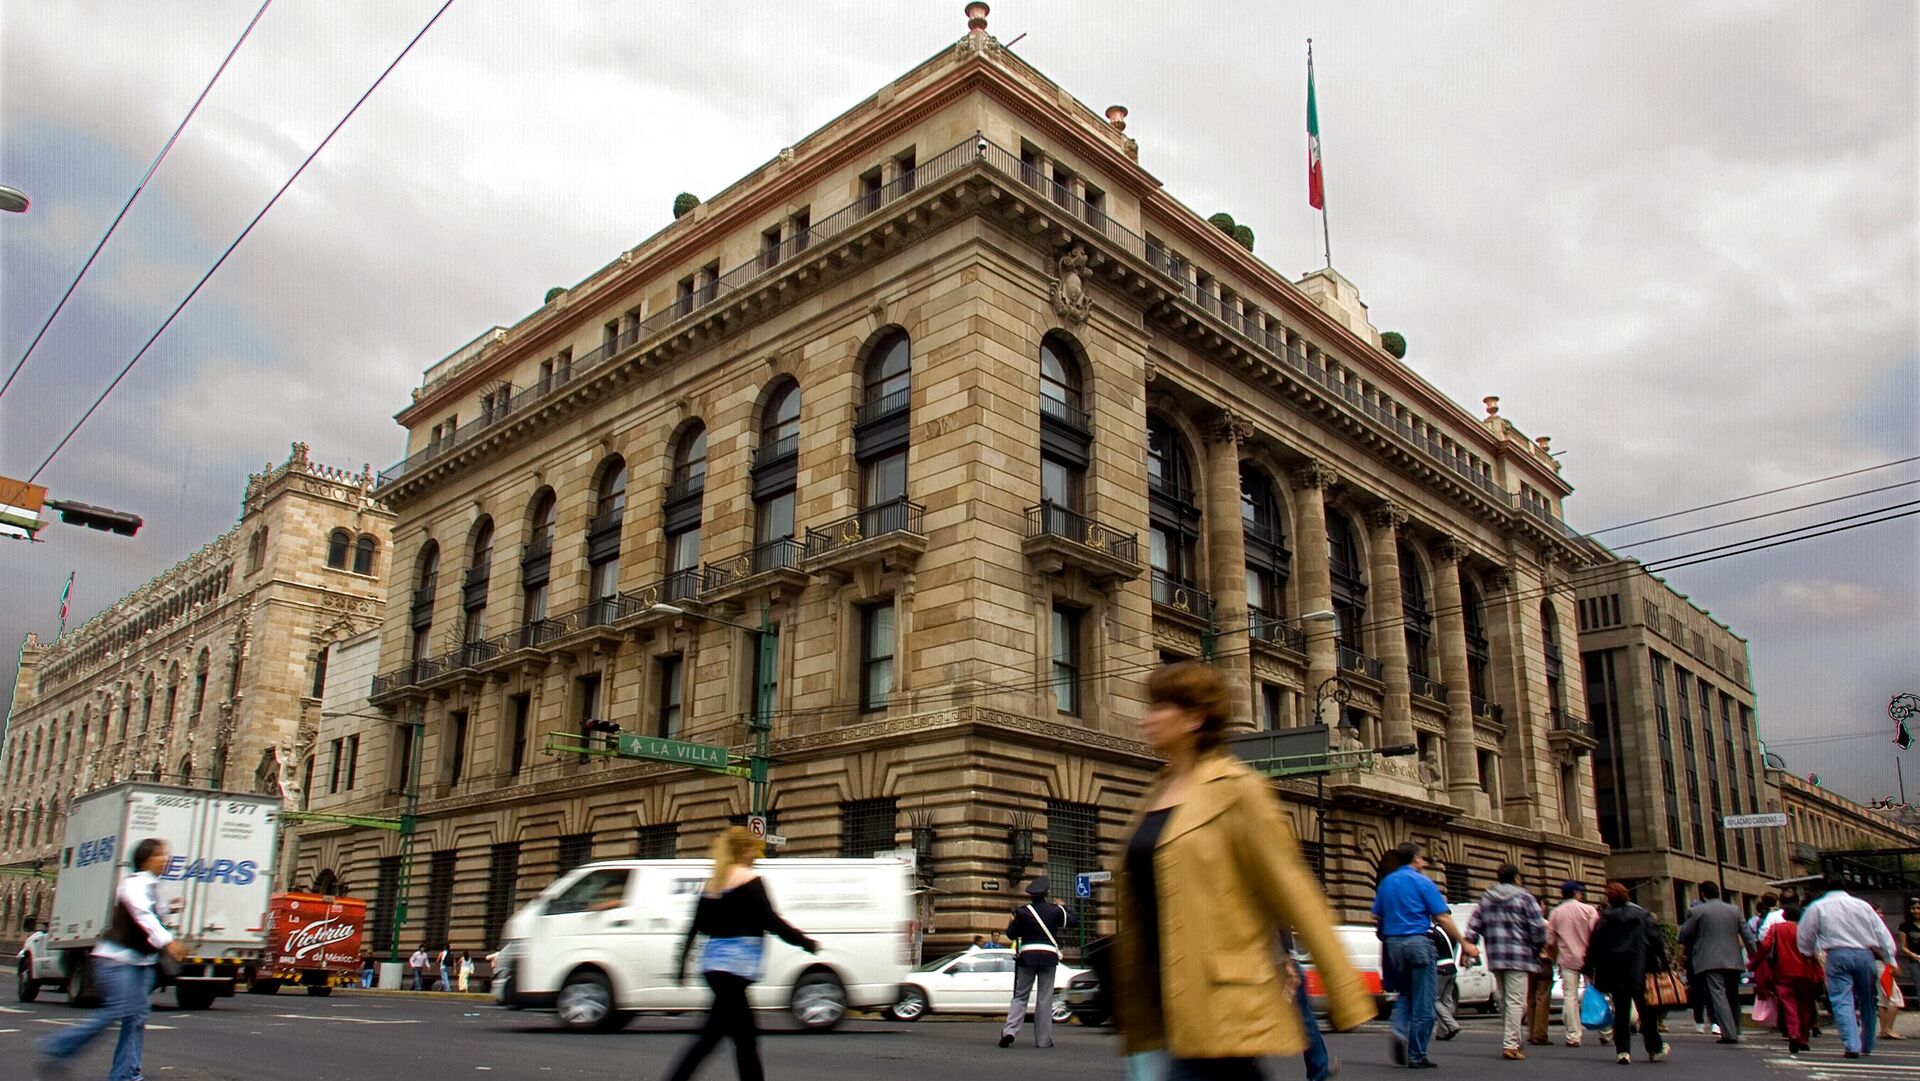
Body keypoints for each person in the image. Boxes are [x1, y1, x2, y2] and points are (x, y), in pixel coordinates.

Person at [1112, 662, 1373, 1080]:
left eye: (1161, 706)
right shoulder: (1157, 792)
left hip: (1219, 1006)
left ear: (1195, 718)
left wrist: (1345, 992)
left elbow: (1294, 891)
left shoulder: (1237, 789)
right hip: (1160, 1007)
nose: (1148, 718)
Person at [666, 826, 819, 1081]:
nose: (755, 856)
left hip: (714, 968)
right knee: (731, 1039)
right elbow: (771, 921)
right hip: (736, 970)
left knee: (731, 1037)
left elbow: (695, 927)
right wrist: (805, 942)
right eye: (752, 850)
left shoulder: (714, 882)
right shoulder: (749, 880)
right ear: (743, 850)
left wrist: (681, 965)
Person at [36, 837, 188, 1081]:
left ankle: (126, 1075)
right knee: (119, 1011)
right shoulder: (134, 884)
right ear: (145, 859)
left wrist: (171, 908)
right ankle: (60, 1046)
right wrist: (167, 941)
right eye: (160, 854)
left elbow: (155, 915)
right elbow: (142, 914)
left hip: (141, 963)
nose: (165, 859)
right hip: (117, 961)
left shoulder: (155, 886)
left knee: (135, 1018)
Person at [1373, 842, 1478, 1068]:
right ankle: (1417, 1054)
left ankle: (1398, 1030)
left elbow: (1376, 917)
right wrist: (1464, 943)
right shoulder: (1422, 882)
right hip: (1419, 942)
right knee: (1424, 1001)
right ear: (1415, 859)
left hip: (1394, 945)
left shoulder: (1386, 883)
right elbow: (1442, 917)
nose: (1424, 861)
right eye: (1421, 858)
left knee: (1405, 993)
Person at [1797, 878, 1899, 1059]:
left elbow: (1805, 934)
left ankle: (1851, 1043)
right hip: (1864, 954)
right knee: (1869, 999)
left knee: (1841, 999)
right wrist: (1889, 957)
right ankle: (1868, 1042)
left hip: (1837, 955)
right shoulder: (1863, 906)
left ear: (1825, 889)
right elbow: (1881, 932)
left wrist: (1807, 952)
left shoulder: (1817, 907)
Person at [1464, 865, 1548, 1061]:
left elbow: (1473, 925)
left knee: (1506, 1000)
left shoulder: (1486, 898)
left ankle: (1514, 1040)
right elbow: (1538, 928)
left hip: (1496, 955)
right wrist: (1536, 948)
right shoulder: (1525, 898)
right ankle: (1510, 1044)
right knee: (1516, 1002)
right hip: (1519, 956)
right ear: (1516, 878)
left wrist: (1469, 945)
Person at [1584, 881, 1669, 1065]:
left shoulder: (1605, 918)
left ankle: (1623, 1050)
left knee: (1621, 1010)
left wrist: (1589, 968)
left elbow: (1595, 945)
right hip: (1640, 967)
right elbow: (1655, 940)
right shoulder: (1642, 915)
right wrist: (1663, 963)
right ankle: (1654, 1047)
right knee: (1646, 1011)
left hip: (1614, 970)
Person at [1677, 881, 1756, 1043]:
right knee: (1733, 996)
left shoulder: (1697, 911)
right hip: (1733, 959)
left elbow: (1684, 933)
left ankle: (1728, 1033)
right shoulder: (1734, 910)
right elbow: (1747, 935)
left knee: (1718, 995)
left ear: (1702, 894)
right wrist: (1754, 955)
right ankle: (1736, 1029)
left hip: (1709, 960)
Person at [1001, 876, 1072, 1048]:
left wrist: (1011, 922)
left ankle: (1010, 1031)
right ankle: (1043, 1040)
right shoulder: (1055, 911)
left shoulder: (1022, 912)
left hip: (1027, 957)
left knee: (1020, 996)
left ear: (1031, 896)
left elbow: (1011, 935)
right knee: (1045, 998)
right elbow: (1073, 921)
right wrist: (1064, 906)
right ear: (1046, 893)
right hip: (1048, 957)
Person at [1754, 903, 1821, 1054]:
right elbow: (1815, 951)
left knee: (1789, 1006)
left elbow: (1765, 946)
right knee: (1805, 1006)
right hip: (1806, 973)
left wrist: (1754, 963)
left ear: (1784, 915)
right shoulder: (1807, 931)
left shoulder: (1776, 929)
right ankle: (1803, 1037)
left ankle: (1794, 1034)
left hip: (1783, 972)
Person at [1430, 918, 1463, 1043]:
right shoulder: (1451, 933)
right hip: (1452, 967)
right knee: (1446, 999)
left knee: (1434, 999)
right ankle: (1443, 1032)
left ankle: (1452, 1025)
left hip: (1441, 968)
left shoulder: (1433, 933)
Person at [1900, 898, 1920, 1016]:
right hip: (1915, 961)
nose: (1916, 911)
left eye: (1918, 908)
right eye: (1913, 908)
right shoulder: (1905, 926)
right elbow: (1903, 946)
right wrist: (1912, 955)